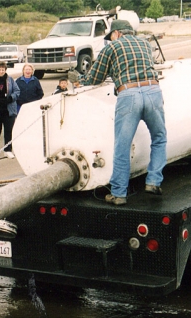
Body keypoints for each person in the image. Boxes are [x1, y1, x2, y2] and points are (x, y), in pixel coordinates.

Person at [69, 19, 166, 205]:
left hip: (128, 95)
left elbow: (95, 78)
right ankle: (153, 181)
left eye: (111, 36)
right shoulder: (146, 44)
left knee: (122, 145)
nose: (110, 39)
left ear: (117, 33)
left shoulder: (111, 48)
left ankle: (119, 193)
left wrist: (79, 77)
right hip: (153, 90)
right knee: (160, 137)